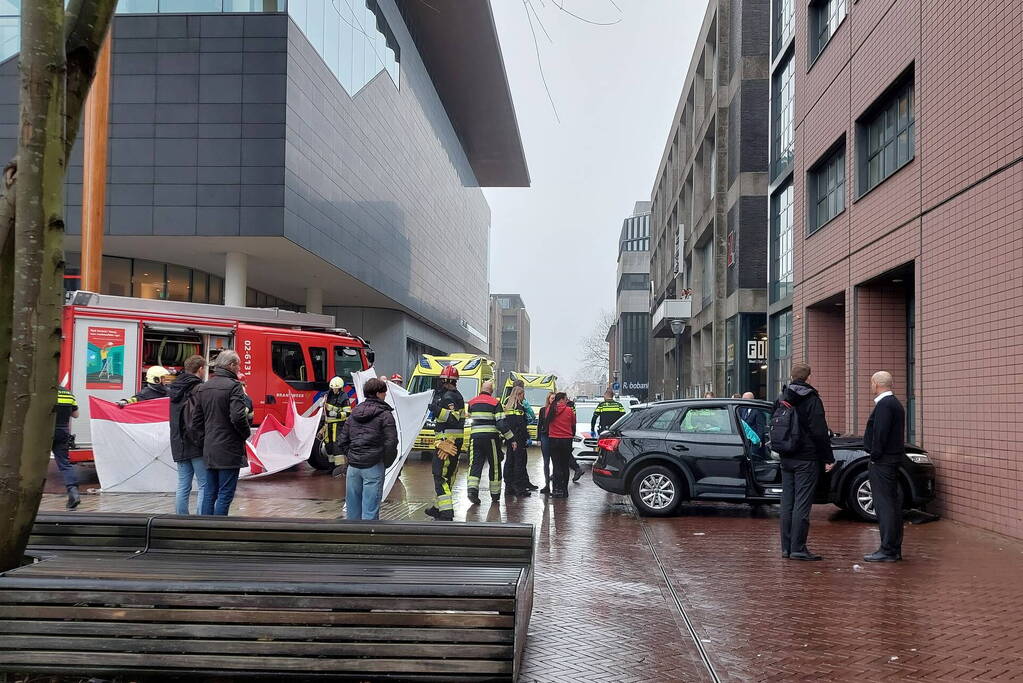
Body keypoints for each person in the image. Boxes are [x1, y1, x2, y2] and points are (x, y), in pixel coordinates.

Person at [773, 363, 834, 561]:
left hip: (786, 456)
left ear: (792, 377)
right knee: (802, 502)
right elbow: (819, 431)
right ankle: (798, 548)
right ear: (808, 378)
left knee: (787, 502)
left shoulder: (782, 397)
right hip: (806, 458)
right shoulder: (812, 399)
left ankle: (786, 547)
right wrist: (828, 457)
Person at [189, 350, 251, 516]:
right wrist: (245, 434)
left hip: (210, 449)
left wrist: (204, 441)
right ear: (231, 365)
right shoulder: (234, 386)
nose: (239, 368)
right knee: (225, 493)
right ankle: (218, 530)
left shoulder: (203, 387)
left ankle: (205, 530)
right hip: (229, 449)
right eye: (238, 365)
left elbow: (196, 422)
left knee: (210, 493)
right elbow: (238, 417)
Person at [337, 377, 397, 521]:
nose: (386, 395)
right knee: (370, 511)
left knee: (353, 512)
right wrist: (385, 461)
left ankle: (353, 540)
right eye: (384, 392)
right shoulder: (385, 415)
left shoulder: (354, 413)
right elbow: (391, 442)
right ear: (377, 393)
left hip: (353, 467)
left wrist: (352, 456)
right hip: (374, 466)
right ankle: (368, 541)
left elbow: (342, 440)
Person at [863, 371, 906, 562]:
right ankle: (892, 547)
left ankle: (888, 549)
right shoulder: (894, 404)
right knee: (891, 504)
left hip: (883, 461)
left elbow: (880, 433)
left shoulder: (885, 405)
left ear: (875, 383)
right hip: (890, 459)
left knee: (885, 505)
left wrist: (875, 455)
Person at [169, 355, 207, 515]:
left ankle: (180, 519)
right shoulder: (199, 388)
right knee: (204, 484)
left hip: (178, 442)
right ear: (200, 369)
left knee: (183, 484)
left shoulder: (174, 388)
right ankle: (201, 520)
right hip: (195, 442)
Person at [425, 365, 464, 521]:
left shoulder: (449, 397)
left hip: (447, 442)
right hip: (451, 441)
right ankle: (437, 508)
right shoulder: (455, 395)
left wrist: (436, 409)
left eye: (442, 380)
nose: (440, 382)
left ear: (447, 380)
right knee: (446, 475)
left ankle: (446, 512)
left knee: (439, 476)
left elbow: (453, 418)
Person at [466, 380, 515, 505]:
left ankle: (472, 490)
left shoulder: (472, 403)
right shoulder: (495, 403)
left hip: (475, 438)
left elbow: (471, 418)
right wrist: (511, 438)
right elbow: (501, 423)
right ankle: (495, 495)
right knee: (495, 465)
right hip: (491, 439)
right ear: (491, 391)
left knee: (475, 464)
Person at [501, 386, 533, 497]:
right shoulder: (519, 408)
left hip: (509, 438)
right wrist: (527, 437)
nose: (524, 397)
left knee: (509, 461)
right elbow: (521, 425)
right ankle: (519, 489)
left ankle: (508, 487)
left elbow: (505, 424)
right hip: (519, 439)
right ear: (519, 395)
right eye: (523, 395)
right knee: (519, 463)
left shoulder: (507, 407)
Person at [53, 386, 81, 510]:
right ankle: (73, 491)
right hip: (62, 431)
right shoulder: (68, 393)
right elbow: (76, 414)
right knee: (65, 464)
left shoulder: (43, 391)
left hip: (43, 431)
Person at [546, 393, 576, 497]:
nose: (567, 401)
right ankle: (564, 490)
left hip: (553, 440)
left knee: (556, 465)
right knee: (565, 465)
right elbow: (573, 424)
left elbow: (546, 422)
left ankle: (556, 489)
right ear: (562, 400)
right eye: (566, 399)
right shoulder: (569, 410)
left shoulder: (550, 410)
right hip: (566, 440)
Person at [321, 376, 351, 462]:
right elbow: (323, 397)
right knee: (328, 444)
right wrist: (322, 404)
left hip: (338, 425)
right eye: (333, 388)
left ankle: (339, 467)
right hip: (328, 424)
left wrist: (337, 415)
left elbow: (348, 412)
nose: (334, 390)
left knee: (336, 445)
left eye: (336, 388)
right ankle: (331, 464)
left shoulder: (344, 397)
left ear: (340, 388)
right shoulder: (328, 395)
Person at [537, 392, 555, 494]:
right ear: (548, 399)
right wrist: (538, 438)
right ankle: (547, 484)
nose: (553, 400)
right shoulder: (543, 410)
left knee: (555, 461)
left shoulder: (557, 411)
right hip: (545, 436)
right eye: (551, 398)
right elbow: (540, 424)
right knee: (546, 461)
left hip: (554, 437)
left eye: (554, 398)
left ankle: (555, 483)